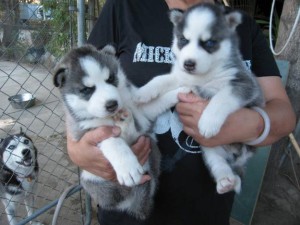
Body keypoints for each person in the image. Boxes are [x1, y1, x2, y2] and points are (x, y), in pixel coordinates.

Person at [67, 0, 296, 224]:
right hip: (129, 208)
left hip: (209, 210)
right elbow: (81, 82)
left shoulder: (242, 26)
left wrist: (249, 124)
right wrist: (76, 149)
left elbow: (285, 116)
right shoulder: (124, 7)